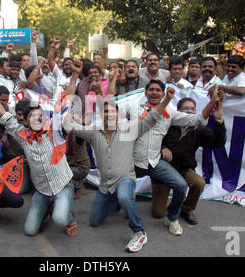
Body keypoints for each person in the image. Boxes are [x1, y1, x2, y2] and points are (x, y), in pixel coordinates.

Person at [64, 87, 176, 253]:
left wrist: (167, 99)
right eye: (105, 112)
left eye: (113, 112)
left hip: (125, 178)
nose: (109, 115)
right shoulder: (94, 133)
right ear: (101, 116)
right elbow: (69, 126)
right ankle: (120, 202)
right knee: (94, 221)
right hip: (105, 185)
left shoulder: (129, 129)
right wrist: (66, 107)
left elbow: (152, 117)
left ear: (119, 116)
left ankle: (139, 231)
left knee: (124, 195)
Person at [0, 76, 78, 238]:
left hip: (63, 186)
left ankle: (69, 218)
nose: (38, 119)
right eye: (32, 117)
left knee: (60, 218)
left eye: (39, 115)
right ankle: (48, 207)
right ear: (24, 121)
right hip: (42, 191)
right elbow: (3, 113)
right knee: (30, 231)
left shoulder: (55, 130)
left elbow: (67, 101)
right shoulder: (21, 134)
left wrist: (75, 75)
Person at [132, 79, 223, 236]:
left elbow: (198, 119)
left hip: (156, 163)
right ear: (145, 92)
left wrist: (214, 103)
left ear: (163, 93)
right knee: (122, 195)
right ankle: (120, 204)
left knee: (182, 186)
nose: (154, 92)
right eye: (151, 89)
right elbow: (112, 111)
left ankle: (173, 218)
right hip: (135, 161)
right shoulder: (134, 109)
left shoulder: (171, 114)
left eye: (158, 90)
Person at [159, 97, 226, 224]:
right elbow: (153, 139)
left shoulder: (199, 129)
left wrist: (218, 119)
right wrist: (163, 147)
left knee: (199, 183)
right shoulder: (168, 123)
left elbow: (218, 142)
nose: (190, 111)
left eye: (192, 109)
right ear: (178, 111)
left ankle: (187, 209)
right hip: (163, 169)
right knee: (158, 213)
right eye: (186, 108)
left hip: (184, 168)